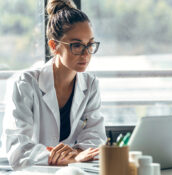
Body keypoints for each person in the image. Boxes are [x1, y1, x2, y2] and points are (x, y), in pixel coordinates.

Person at [1, 0, 107, 170]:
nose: (86, 53)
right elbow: (18, 150)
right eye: (77, 45)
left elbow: (95, 136)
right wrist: (58, 157)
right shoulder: (24, 84)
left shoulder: (90, 84)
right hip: (33, 170)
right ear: (54, 46)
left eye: (90, 44)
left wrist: (76, 154)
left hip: (73, 169)